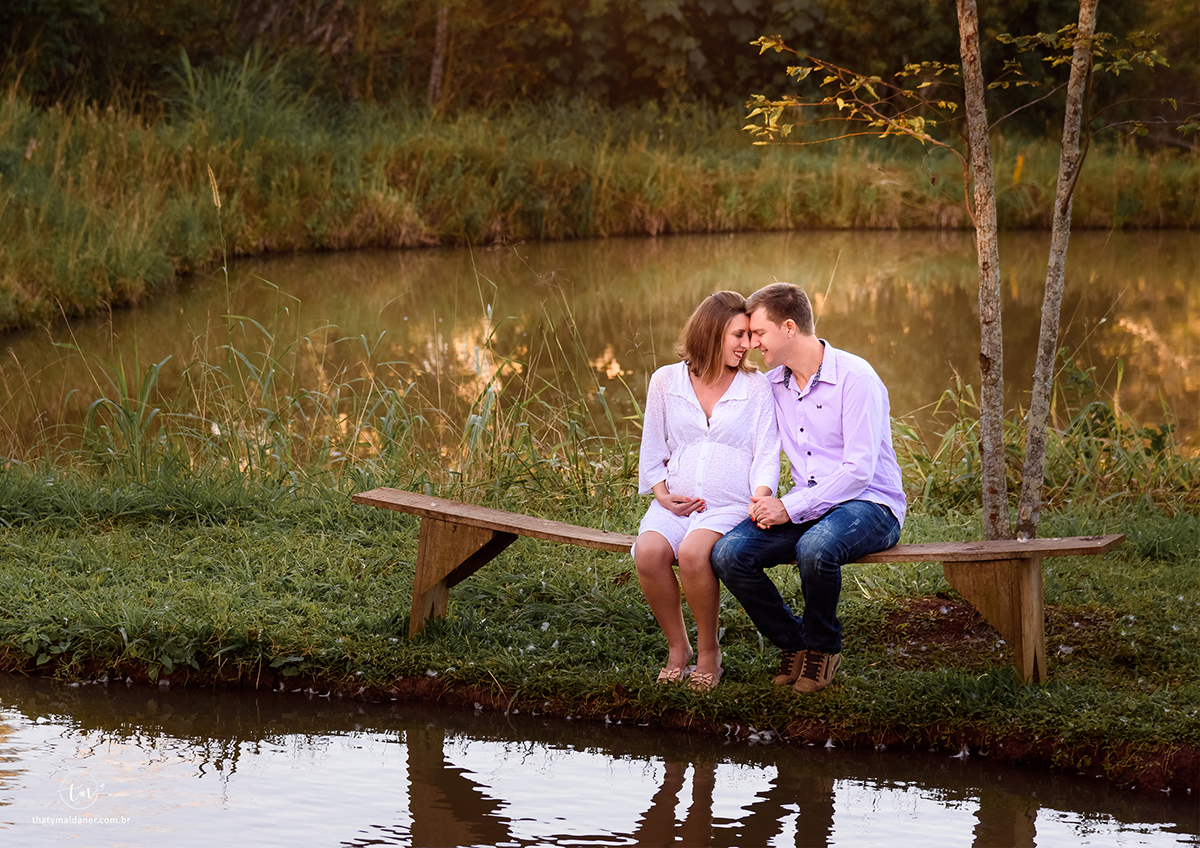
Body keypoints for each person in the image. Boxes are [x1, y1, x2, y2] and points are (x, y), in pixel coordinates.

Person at [710, 282, 905, 694]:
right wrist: (762, 494)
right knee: (729, 554)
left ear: (789, 327)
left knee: (815, 548)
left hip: (870, 504)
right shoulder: (772, 385)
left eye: (759, 333)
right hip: (810, 505)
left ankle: (822, 648)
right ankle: (794, 643)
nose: (753, 343)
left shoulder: (856, 379)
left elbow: (858, 471)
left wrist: (790, 507)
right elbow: (750, 439)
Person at [634, 291, 780, 693]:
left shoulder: (756, 386)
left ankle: (708, 652)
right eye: (738, 334)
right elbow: (652, 447)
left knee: (696, 553)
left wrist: (761, 496)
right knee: (648, 552)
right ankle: (677, 650)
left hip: (729, 504)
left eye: (750, 335)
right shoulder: (665, 380)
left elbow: (767, 451)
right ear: (711, 332)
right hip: (675, 502)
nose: (747, 344)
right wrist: (661, 496)